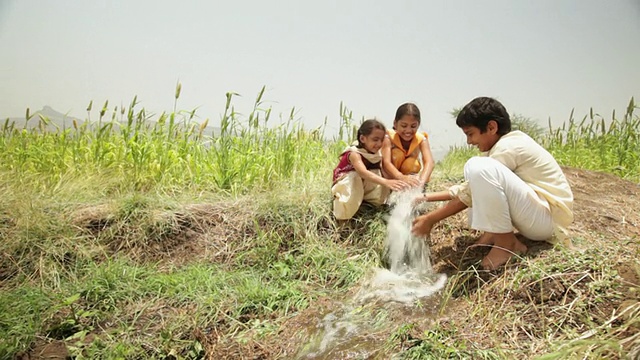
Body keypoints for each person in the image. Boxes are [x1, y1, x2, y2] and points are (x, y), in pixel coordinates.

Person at [411, 97, 574, 270]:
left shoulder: (509, 146)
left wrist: (431, 219)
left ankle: (507, 245)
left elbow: (470, 193)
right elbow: (467, 188)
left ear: (491, 127)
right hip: (537, 215)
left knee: (477, 167)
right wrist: (425, 197)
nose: (469, 142)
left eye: (470, 134)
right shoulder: (500, 149)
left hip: (547, 221)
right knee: (476, 171)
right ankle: (492, 234)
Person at [332, 119, 410, 220]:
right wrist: (386, 182)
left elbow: (382, 172)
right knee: (355, 177)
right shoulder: (354, 154)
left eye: (381, 140)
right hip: (346, 185)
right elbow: (363, 172)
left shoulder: (376, 154)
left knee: (378, 173)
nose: (379, 144)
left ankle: (372, 205)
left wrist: (398, 183)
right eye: (375, 139)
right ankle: (343, 216)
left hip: (363, 184)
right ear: (363, 138)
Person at [381, 103, 436, 188]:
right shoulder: (388, 138)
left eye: (413, 126)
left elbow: (429, 162)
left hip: (409, 175)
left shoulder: (421, 139)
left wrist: (421, 181)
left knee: (413, 163)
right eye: (404, 126)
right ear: (395, 124)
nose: (408, 130)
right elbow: (386, 162)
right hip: (390, 176)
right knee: (397, 154)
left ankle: (410, 185)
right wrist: (401, 177)